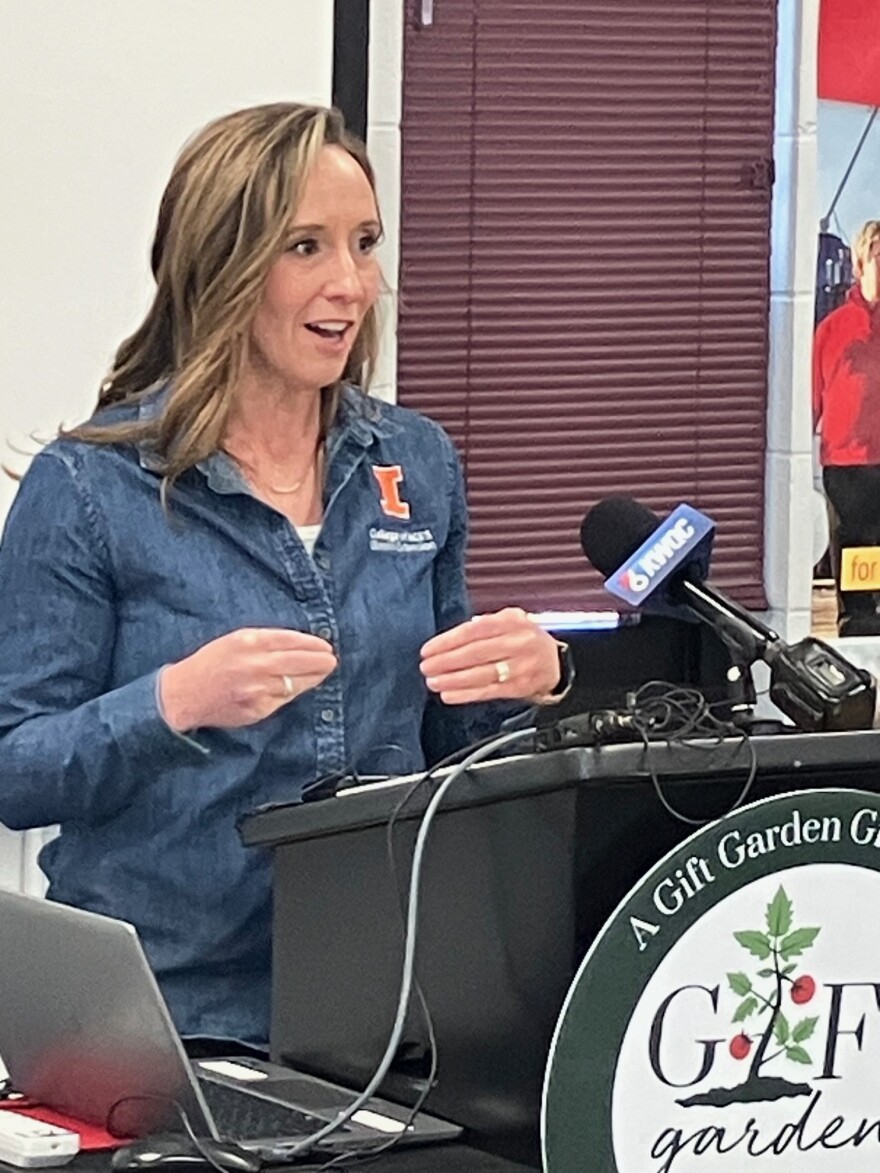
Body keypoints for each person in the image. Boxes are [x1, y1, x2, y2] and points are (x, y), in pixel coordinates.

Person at [0, 104, 568, 1053]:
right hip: (164, 1020)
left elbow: (451, 750)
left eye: (365, 243)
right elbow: (15, 771)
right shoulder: (89, 487)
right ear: (219, 265)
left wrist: (525, 686)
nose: (351, 283)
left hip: (385, 1010)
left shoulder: (416, 463)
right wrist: (172, 702)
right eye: (306, 246)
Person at [813, 218, 880, 636]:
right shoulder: (832, 330)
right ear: (859, 265)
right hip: (847, 468)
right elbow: (808, 403)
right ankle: (859, 628)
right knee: (857, 559)